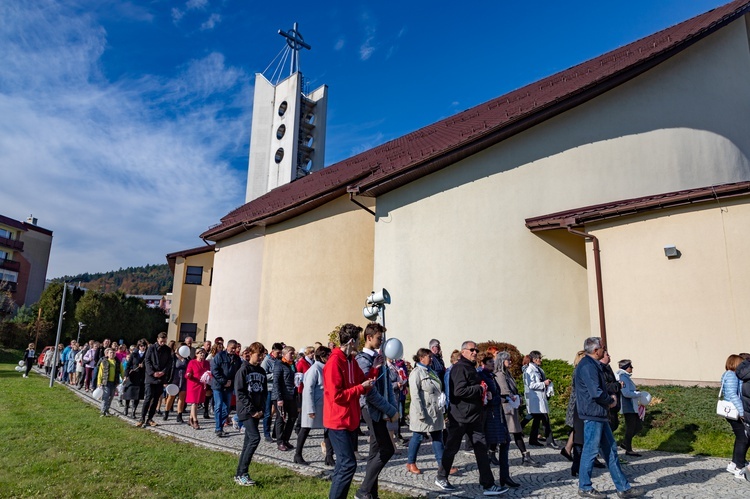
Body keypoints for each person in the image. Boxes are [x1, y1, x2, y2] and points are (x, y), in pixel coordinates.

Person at [436, 340, 507, 496]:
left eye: (476, 350)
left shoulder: (471, 368)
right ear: (463, 352)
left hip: (474, 417)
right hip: (460, 417)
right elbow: (459, 391)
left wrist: (484, 392)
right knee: (452, 448)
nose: (475, 352)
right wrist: (479, 388)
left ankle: (488, 485)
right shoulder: (459, 368)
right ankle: (441, 477)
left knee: (482, 449)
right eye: (472, 350)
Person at [575, 336, 643, 498]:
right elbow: (596, 391)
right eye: (603, 348)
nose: (604, 351)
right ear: (596, 350)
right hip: (593, 413)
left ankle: (623, 488)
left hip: (599, 413)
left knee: (611, 451)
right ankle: (584, 487)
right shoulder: (587, 366)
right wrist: (610, 401)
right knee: (590, 451)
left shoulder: (593, 365)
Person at [323, 323, 375, 499]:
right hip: (337, 421)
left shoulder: (351, 360)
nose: (360, 344)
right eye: (358, 341)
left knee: (342, 466)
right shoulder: (334, 362)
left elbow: (362, 381)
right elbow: (336, 396)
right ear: (351, 341)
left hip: (350, 420)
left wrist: (375, 369)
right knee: (348, 465)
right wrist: (360, 388)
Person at [356, 322, 399, 499]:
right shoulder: (363, 360)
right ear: (369, 338)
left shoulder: (377, 358)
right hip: (371, 409)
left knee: (375, 453)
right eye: (379, 338)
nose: (381, 342)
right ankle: (363, 490)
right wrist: (389, 410)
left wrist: (391, 409)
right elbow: (369, 393)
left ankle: (371, 493)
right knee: (387, 450)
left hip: (380, 410)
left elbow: (386, 386)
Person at [406, 348, 453, 475]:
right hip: (422, 410)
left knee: (437, 436)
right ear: (421, 358)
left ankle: (442, 465)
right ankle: (411, 462)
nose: (431, 359)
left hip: (434, 410)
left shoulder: (431, 371)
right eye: (429, 357)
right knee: (418, 436)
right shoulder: (416, 373)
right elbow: (415, 395)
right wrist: (420, 413)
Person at [478, 354, 518, 488]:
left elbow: (494, 395)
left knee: (506, 442)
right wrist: (498, 399)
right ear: (483, 363)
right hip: (490, 416)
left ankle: (505, 476)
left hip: (498, 413)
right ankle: (486, 478)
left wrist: (505, 399)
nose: (493, 364)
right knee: (488, 446)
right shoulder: (482, 376)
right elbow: (486, 398)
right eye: (490, 362)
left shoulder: (491, 376)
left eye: (493, 362)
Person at [495, 350, 540, 467]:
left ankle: (525, 456)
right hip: (506, 407)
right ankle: (493, 454)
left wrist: (517, 396)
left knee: (516, 432)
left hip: (511, 406)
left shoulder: (507, 373)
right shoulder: (500, 374)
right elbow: (504, 390)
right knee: (510, 432)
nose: (510, 361)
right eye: (508, 360)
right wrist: (513, 397)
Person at [233, 342, 268, 486]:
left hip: (257, 411)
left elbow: (264, 391)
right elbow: (240, 392)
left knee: (248, 442)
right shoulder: (243, 370)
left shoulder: (261, 371)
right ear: (251, 354)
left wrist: (261, 410)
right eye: (258, 355)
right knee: (255, 438)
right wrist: (252, 410)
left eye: (262, 356)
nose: (260, 358)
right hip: (246, 411)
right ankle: (243, 473)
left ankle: (239, 474)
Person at [295, 346, 333, 466]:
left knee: (328, 430)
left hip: (325, 404)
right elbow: (308, 390)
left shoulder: (326, 368)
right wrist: (310, 409)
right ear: (321, 357)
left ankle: (329, 456)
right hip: (314, 404)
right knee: (305, 429)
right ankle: (298, 454)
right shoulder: (314, 369)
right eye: (328, 355)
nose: (329, 357)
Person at [523, 350, 559, 448]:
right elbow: (531, 385)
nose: (541, 360)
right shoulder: (529, 370)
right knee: (545, 419)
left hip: (539, 398)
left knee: (538, 419)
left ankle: (533, 439)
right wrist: (544, 383)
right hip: (535, 399)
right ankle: (549, 440)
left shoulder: (537, 369)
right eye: (539, 358)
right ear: (534, 359)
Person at [721, 354, 748, 478]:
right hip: (735, 411)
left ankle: (735, 463)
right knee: (744, 438)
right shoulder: (731, 375)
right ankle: (739, 467)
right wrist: (742, 412)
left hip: (734, 411)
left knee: (740, 437)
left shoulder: (729, 374)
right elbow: (732, 395)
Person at [138, 332, 173, 428]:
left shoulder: (167, 349)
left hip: (161, 377)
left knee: (156, 399)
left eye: (164, 341)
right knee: (148, 397)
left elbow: (169, 362)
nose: (162, 343)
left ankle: (150, 419)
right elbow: (147, 360)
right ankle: (142, 418)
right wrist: (153, 373)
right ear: (157, 339)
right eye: (161, 341)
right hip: (150, 377)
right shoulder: (151, 348)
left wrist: (163, 372)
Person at [211, 339, 242, 437]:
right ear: (227, 347)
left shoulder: (237, 359)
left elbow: (238, 372)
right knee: (218, 406)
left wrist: (231, 382)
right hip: (218, 385)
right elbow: (214, 370)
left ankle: (220, 425)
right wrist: (224, 381)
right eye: (232, 348)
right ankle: (218, 428)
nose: (234, 350)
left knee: (227, 408)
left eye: (235, 348)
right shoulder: (219, 356)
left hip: (229, 386)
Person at [273, 345, 298, 450]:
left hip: (291, 395)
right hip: (281, 396)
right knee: (281, 418)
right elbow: (276, 382)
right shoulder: (279, 364)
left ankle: (286, 439)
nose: (293, 355)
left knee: (293, 417)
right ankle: (280, 442)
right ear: (284, 354)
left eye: (293, 353)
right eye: (290, 353)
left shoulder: (292, 365)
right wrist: (279, 398)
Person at [185, 347, 211, 430]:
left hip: (202, 384)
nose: (202, 354)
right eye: (200, 353)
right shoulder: (192, 362)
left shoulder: (206, 363)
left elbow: (208, 372)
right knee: (194, 403)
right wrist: (189, 375)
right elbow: (187, 373)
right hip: (193, 384)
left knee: (198, 402)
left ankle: (190, 419)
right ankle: (195, 421)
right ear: (196, 354)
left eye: (203, 353)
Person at [261, 343, 283, 441]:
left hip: (277, 389)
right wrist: (275, 375)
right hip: (269, 389)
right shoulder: (266, 361)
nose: (279, 354)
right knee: (268, 412)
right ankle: (266, 434)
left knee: (279, 412)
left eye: (280, 352)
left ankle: (276, 433)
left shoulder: (279, 360)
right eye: (278, 352)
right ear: (273, 351)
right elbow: (263, 375)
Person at [164, 347, 189, 423]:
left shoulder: (187, 359)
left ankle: (179, 415)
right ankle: (166, 412)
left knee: (182, 398)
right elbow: (168, 369)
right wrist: (166, 381)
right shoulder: (173, 358)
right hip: (174, 379)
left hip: (184, 380)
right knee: (171, 397)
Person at [123, 340, 147, 419]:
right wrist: (126, 375)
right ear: (138, 346)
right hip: (132, 376)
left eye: (144, 346)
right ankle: (126, 407)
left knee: (137, 396)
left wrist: (143, 366)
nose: (142, 347)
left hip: (140, 378)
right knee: (129, 393)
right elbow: (128, 365)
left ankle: (133, 411)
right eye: (141, 346)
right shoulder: (134, 354)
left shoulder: (147, 355)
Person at [601, 350, 622, 433]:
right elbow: (605, 386)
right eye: (607, 355)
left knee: (613, 425)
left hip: (613, 405)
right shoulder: (601, 369)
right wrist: (618, 385)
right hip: (608, 404)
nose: (609, 356)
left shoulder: (607, 367)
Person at [96, 347, 120, 417]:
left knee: (111, 397)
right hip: (106, 382)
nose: (112, 354)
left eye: (113, 353)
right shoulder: (104, 362)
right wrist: (99, 382)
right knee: (105, 397)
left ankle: (107, 410)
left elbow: (121, 371)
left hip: (114, 383)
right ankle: (103, 411)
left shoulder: (117, 362)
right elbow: (100, 373)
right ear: (107, 354)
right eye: (110, 353)